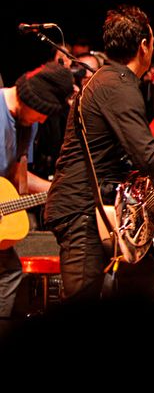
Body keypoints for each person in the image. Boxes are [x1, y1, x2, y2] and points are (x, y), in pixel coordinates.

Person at [43, 5, 154, 302]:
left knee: (153, 287)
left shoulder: (107, 80)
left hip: (94, 211)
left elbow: (124, 152)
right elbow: (146, 157)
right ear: (144, 46)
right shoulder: (118, 86)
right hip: (82, 212)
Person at [1, 63, 75, 330]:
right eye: (42, 112)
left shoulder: (26, 125)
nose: (42, 120)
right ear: (30, 99)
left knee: (10, 272)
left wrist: (59, 190)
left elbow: (18, 182)